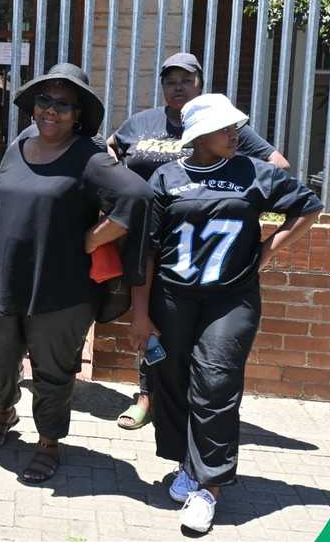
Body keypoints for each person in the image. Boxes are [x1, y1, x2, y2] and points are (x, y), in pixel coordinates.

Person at [132, 94, 321, 533]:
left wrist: (266, 252)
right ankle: (188, 464)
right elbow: (145, 253)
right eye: (225, 128)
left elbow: (308, 206)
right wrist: (140, 315)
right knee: (173, 380)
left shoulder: (253, 173)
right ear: (198, 134)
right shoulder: (166, 178)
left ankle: (208, 488)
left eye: (236, 126)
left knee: (215, 383)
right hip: (173, 297)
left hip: (231, 299)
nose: (235, 133)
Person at [0, 63, 153, 484]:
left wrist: (91, 239)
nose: (50, 110)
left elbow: (137, 197)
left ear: (78, 114)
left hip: (61, 291)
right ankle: (3, 412)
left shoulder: (89, 158)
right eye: (43, 101)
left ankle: (49, 442)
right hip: (4, 281)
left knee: (52, 373)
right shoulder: (20, 145)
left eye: (62, 105)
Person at [107, 52, 290, 431]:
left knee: (188, 329)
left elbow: (278, 165)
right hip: (148, 239)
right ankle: (147, 395)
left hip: (199, 247)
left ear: (199, 85)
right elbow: (109, 151)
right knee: (146, 319)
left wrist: (235, 200)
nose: (178, 87)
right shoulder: (141, 123)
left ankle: (184, 402)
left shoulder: (219, 127)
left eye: (186, 80)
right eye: (170, 80)